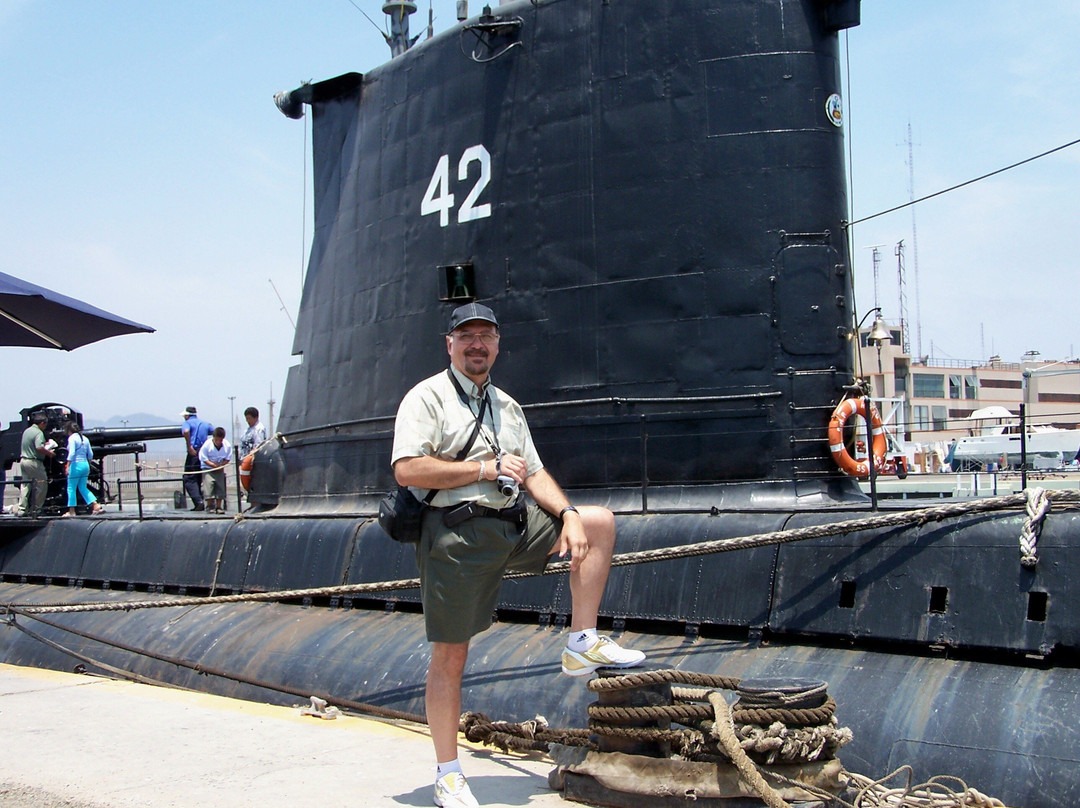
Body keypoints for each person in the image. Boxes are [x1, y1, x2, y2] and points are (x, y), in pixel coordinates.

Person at [391, 302, 645, 808]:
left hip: (511, 524)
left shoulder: (507, 406)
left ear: (497, 344)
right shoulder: (427, 397)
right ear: (450, 344)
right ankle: (448, 774)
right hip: (456, 536)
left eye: (485, 336)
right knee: (451, 657)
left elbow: (532, 472)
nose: (477, 344)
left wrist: (568, 514)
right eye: (467, 336)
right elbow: (407, 469)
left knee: (597, 523)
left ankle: (582, 641)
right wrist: (482, 470)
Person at [17, 412, 55, 517]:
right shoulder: (38, 433)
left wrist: (44, 444)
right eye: (45, 424)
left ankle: (22, 510)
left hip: (24, 461)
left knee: (25, 486)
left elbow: (32, 444)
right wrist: (49, 453)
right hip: (34, 462)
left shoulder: (27, 431)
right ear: (42, 423)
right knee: (42, 485)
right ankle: (36, 509)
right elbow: (38, 447)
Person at [63, 421, 103, 517]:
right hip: (85, 464)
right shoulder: (85, 438)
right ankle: (95, 504)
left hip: (75, 465)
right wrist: (88, 463)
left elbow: (72, 453)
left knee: (71, 488)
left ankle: (72, 511)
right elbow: (90, 454)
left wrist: (68, 465)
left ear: (69, 430)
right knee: (82, 487)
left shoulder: (72, 438)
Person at [180, 406, 212, 511]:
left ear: (187, 415)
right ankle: (203, 501)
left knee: (189, 478)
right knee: (199, 477)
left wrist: (189, 446)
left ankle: (198, 502)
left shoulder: (187, 423)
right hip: (203, 452)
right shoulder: (205, 424)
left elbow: (186, 431)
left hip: (194, 451)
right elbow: (214, 431)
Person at [198, 427, 232, 514]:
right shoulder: (207, 445)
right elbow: (204, 458)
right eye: (216, 440)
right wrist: (213, 465)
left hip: (219, 468)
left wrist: (222, 465)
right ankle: (210, 506)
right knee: (209, 486)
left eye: (220, 440)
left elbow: (228, 458)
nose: (218, 442)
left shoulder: (227, 445)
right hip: (208, 468)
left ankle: (219, 507)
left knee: (220, 487)